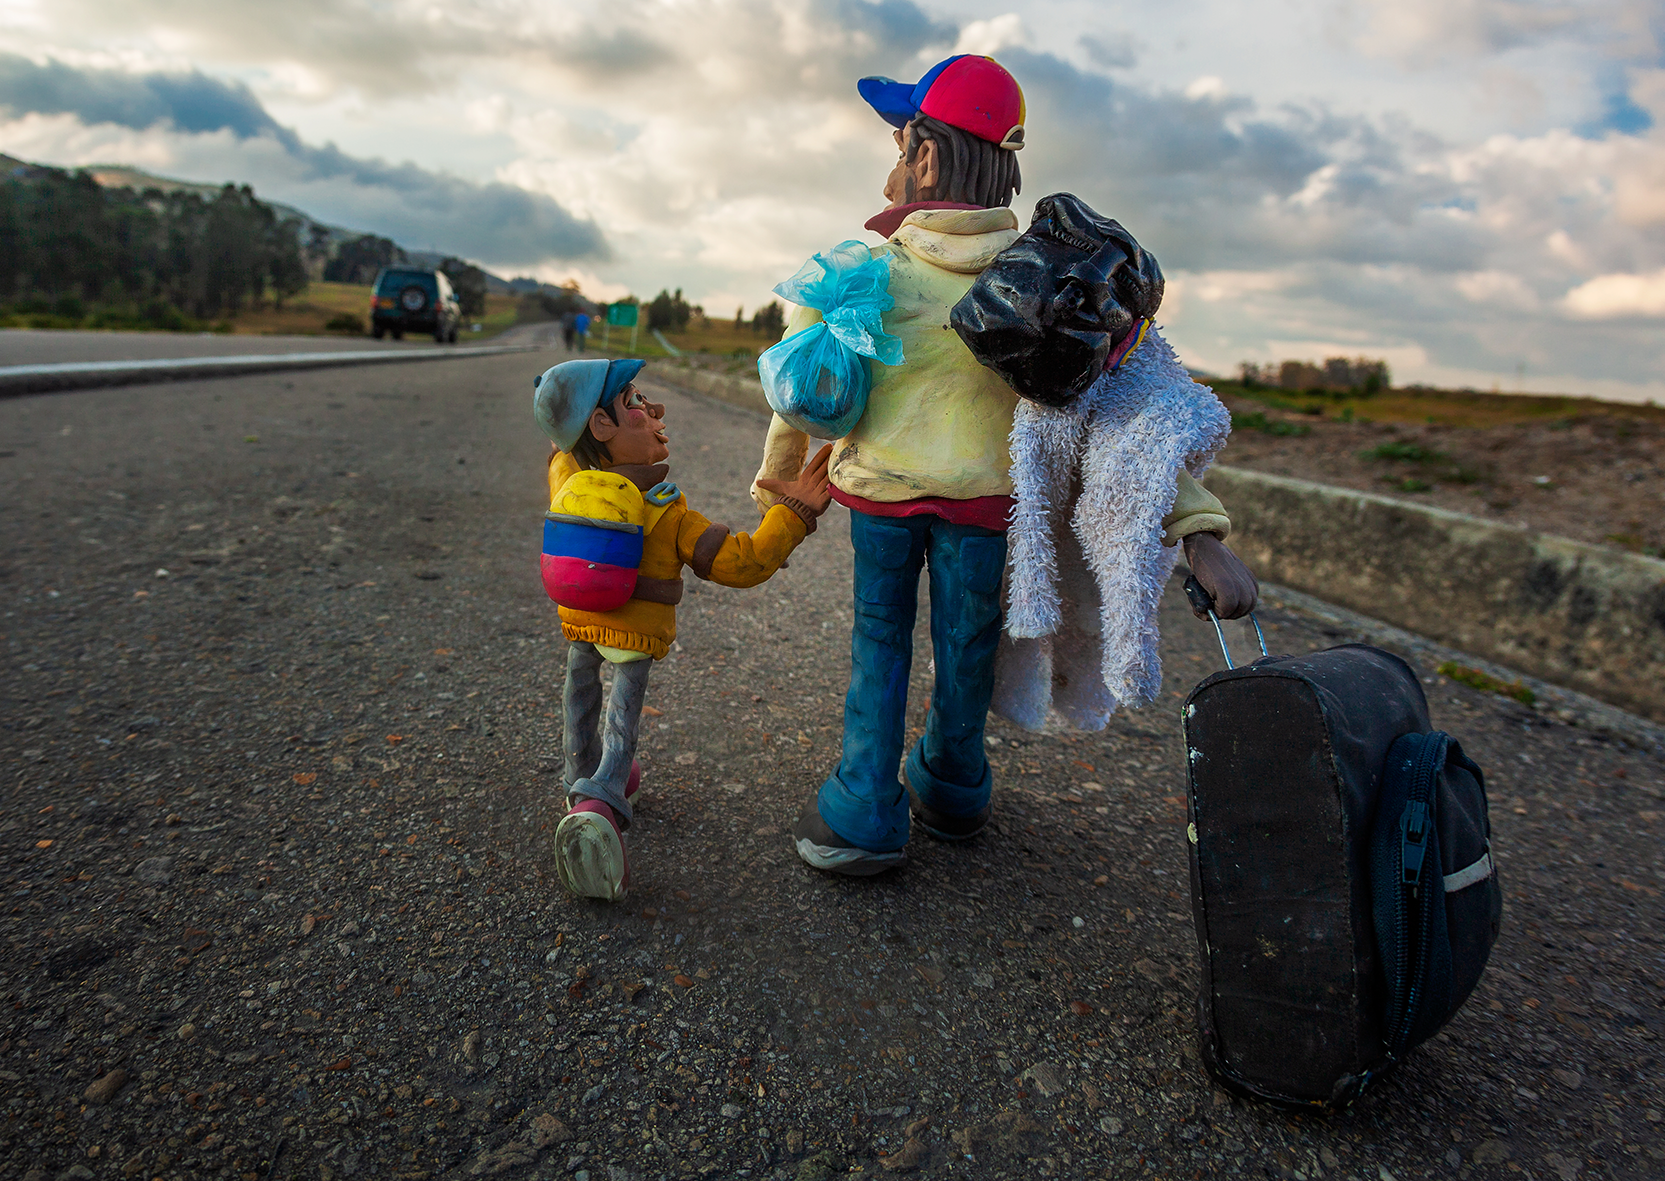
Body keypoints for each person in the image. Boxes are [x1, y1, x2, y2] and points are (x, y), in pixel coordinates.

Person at [752, 53, 1259, 877]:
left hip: (882, 500)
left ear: (923, 155)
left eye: (898, 139)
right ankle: (953, 783)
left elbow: (799, 384)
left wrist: (779, 473)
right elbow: (1136, 411)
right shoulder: (1051, 279)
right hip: (990, 507)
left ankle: (863, 807)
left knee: (879, 638)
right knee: (967, 643)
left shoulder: (864, 269)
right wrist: (1197, 524)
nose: (891, 162)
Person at [532, 358, 834, 899]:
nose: (656, 411)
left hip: (578, 620)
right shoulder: (667, 515)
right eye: (634, 404)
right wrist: (794, 511)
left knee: (579, 697)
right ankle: (602, 801)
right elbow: (740, 564)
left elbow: (561, 451)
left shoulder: (567, 479)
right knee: (621, 720)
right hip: (633, 635)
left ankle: (581, 779)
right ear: (601, 427)